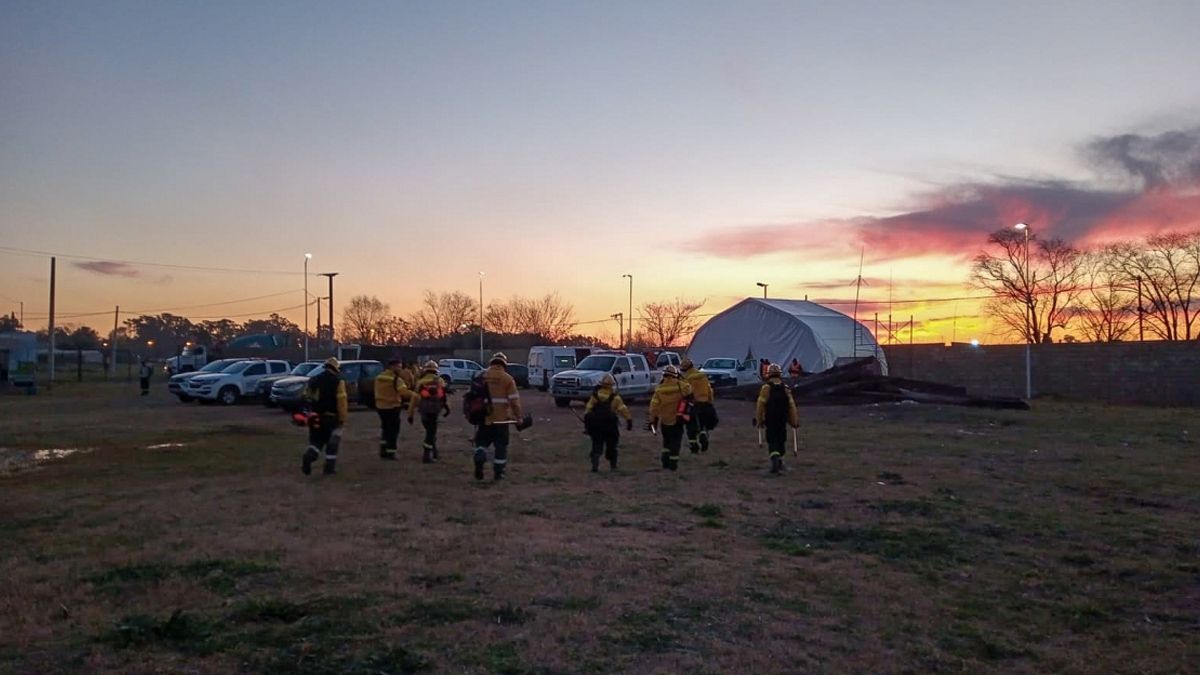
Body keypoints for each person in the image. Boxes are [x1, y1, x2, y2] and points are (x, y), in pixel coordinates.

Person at [472, 352, 523, 481]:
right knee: (500, 447)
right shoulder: (507, 379)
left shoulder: (481, 376)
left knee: (481, 442)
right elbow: (514, 402)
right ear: (504, 364)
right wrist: (519, 418)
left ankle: (480, 454)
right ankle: (498, 473)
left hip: (483, 419)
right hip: (501, 421)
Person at [302, 357, 348, 476]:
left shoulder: (313, 380)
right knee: (332, 443)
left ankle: (308, 457)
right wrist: (342, 418)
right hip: (331, 417)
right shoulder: (338, 382)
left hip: (314, 416)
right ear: (336, 369)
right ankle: (329, 469)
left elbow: (306, 397)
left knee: (316, 442)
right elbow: (341, 401)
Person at [755, 364, 800, 475]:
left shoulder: (766, 388)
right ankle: (780, 460)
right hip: (782, 419)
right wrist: (794, 421)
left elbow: (760, 405)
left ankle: (774, 458)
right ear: (780, 374)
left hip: (770, 419)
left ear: (769, 374)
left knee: (772, 439)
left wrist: (759, 420)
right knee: (781, 439)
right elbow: (791, 406)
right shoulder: (785, 388)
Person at [583, 373, 633, 472]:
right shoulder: (615, 397)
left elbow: (588, 409)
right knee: (612, 445)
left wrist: (587, 424)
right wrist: (629, 420)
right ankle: (613, 465)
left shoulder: (595, 396)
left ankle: (595, 461)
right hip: (610, 426)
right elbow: (623, 409)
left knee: (596, 444)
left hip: (596, 426)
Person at [647, 365, 693, 471]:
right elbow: (689, 391)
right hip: (678, 420)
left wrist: (652, 420)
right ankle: (673, 464)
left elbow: (653, 407)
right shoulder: (682, 386)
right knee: (676, 443)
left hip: (665, 420)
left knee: (666, 442)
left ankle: (665, 461)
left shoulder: (659, 389)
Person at [374, 358, 417, 460]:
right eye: (399, 367)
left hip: (380, 407)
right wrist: (416, 395)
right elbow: (404, 393)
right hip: (392, 407)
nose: (400, 369)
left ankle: (383, 450)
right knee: (393, 431)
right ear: (392, 367)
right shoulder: (396, 379)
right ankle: (391, 452)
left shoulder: (379, 377)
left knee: (385, 429)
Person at [410, 360, 450, 463]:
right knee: (431, 433)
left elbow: (414, 398)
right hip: (435, 411)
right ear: (436, 371)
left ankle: (434, 452)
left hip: (423, 411)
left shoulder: (420, 382)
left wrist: (411, 414)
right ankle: (427, 455)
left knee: (430, 432)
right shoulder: (439, 381)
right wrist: (447, 409)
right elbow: (444, 397)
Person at [681, 358, 717, 454]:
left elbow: (685, 393)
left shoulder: (686, 379)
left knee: (691, 427)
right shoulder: (702, 375)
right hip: (705, 403)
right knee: (702, 424)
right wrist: (710, 401)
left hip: (693, 405)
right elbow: (709, 390)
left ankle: (694, 447)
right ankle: (703, 435)